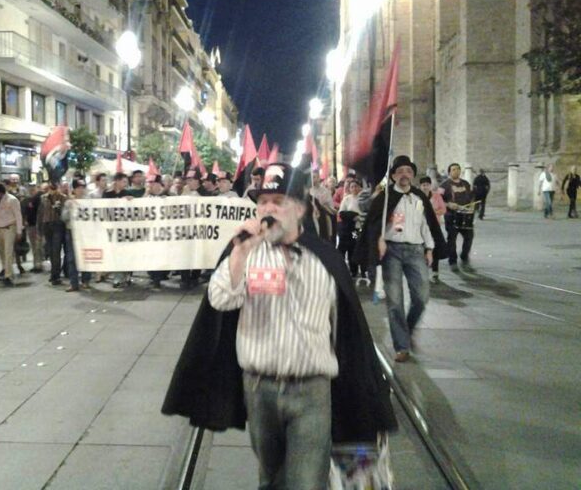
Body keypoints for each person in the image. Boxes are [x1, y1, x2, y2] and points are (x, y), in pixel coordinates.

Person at [164, 162, 397, 489]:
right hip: (259, 389)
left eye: (278, 201)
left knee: (304, 482)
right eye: (262, 201)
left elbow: (347, 330)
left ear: (300, 209)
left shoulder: (324, 259)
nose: (267, 209)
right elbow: (220, 300)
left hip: (312, 390)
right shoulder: (245, 254)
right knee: (271, 478)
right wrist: (238, 255)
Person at [363, 156, 445, 362]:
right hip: (392, 251)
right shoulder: (384, 198)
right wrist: (379, 239)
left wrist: (430, 248)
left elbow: (426, 224)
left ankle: (406, 330)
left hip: (416, 250)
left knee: (421, 297)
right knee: (395, 301)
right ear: (393, 176)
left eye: (408, 171)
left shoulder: (419, 197)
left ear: (412, 175)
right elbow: (373, 224)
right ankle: (401, 345)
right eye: (399, 172)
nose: (404, 175)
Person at [441, 163, 476, 269]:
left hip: (466, 216)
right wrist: (448, 204)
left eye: (458, 169)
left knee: (469, 237)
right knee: (452, 239)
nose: (456, 171)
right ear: (449, 172)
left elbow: (471, 197)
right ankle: (453, 261)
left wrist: (472, 205)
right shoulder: (443, 185)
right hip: (451, 216)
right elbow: (438, 200)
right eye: (453, 169)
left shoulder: (466, 184)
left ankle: (464, 256)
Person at [61, 178, 92, 292]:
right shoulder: (69, 202)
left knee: (86, 256)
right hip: (72, 231)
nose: (81, 190)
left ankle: (86, 280)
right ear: (74, 189)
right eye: (79, 187)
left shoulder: (88, 202)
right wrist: (71, 208)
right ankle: (73, 283)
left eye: (83, 187)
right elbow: (64, 218)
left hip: (84, 232)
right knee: (71, 258)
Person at [0, 183, 23, 287]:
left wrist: (19, 231)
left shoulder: (12, 200)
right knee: (2, 252)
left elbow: (18, 215)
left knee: (8, 251)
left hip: (9, 228)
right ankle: (5, 270)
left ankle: (8, 276)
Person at [104, 173, 133, 287]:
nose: (125, 184)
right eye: (124, 182)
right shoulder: (107, 194)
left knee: (126, 253)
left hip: (124, 228)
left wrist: (130, 200)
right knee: (115, 253)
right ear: (117, 181)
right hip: (112, 228)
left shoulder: (127, 194)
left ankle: (127, 276)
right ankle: (117, 277)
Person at [38, 182, 68, 286]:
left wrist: (58, 208)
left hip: (58, 225)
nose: (52, 189)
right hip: (47, 225)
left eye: (54, 187)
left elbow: (64, 213)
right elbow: (41, 213)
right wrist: (40, 229)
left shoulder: (63, 197)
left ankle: (56, 276)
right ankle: (54, 274)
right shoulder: (44, 198)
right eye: (51, 187)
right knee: (50, 251)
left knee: (56, 251)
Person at [420, 176, 446, 283]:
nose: (425, 187)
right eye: (423, 185)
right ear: (420, 186)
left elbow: (443, 209)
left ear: (430, 186)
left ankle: (435, 272)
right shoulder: (418, 197)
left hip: (434, 227)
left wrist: (434, 213)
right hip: (420, 228)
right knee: (422, 250)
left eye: (427, 185)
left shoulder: (436, 196)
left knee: (435, 249)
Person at [337, 178, 362, 277]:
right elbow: (342, 213)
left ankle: (354, 270)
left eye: (356, 186)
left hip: (356, 230)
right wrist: (353, 216)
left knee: (353, 248)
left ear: (359, 187)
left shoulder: (362, 199)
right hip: (346, 229)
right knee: (342, 248)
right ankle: (340, 269)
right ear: (350, 188)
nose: (354, 188)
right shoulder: (347, 199)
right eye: (352, 187)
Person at [24, 183, 45, 272]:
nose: (31, 189)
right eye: (29, 188)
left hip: (37, 225)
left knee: (37, 246)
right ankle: (36, 264)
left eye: (33, 187)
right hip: (31, 225)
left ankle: (38, 264)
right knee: (35, 246)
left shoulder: (39, 197)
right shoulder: (29, 199)